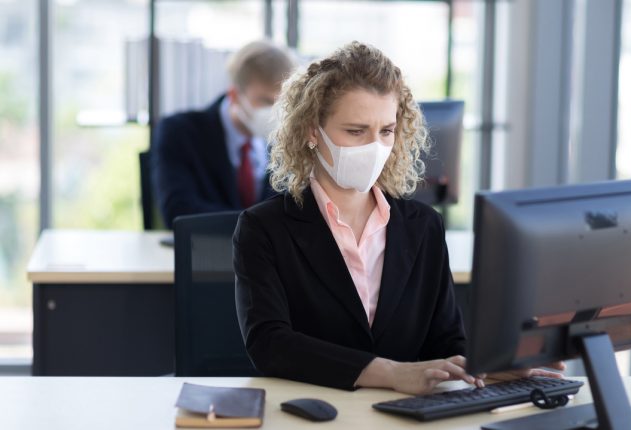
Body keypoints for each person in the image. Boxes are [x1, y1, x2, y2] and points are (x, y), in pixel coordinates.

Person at [233, 41, 563, 395]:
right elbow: (270, 345)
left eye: (386, 131)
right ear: (313, 131)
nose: (375, 146)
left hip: (406, 415)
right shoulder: (264, 228)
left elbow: (446, 340)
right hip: (316, 414)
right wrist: (392, 373)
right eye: (356, 131)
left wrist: (487, 367)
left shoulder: (423, 226)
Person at [151, 40, 295, 228]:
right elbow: (178, 210)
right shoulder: (179, 132)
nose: (275, 112)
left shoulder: (289, 142)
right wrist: (261, 227)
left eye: (282, 103)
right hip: (204, 252)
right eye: (266, 101)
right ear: (234, 95)